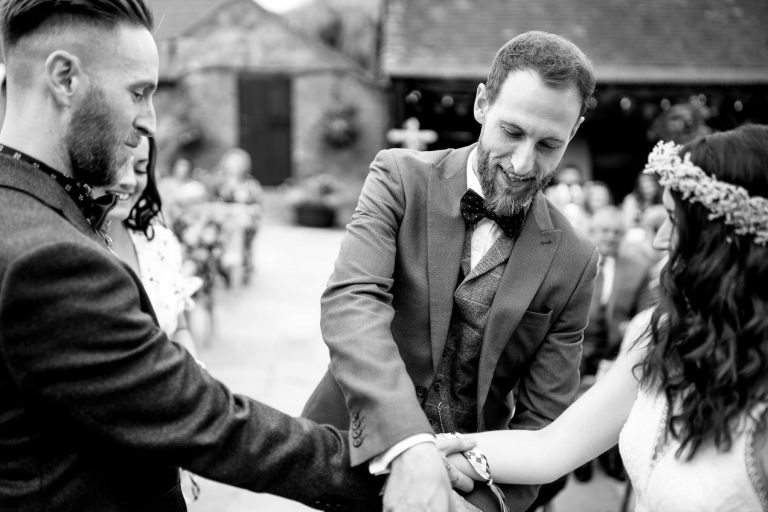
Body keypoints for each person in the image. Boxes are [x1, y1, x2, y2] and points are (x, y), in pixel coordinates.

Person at [0, 1, 477, 510]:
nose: (150, 122)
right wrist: (394, 465)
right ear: (64, 79)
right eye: (138, 92)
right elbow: (202, 419)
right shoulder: (48, 259)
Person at [303, 30, 599, 512]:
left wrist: (483, 500)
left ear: (574, 133)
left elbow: (545, 420)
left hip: (471, 486)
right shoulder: (398, 177)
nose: (524, 163)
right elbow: (351, 304)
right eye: (512, 132)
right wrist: (410, 446)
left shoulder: (576, 259)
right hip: (355, 451)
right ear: (482, 104)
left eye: (549, 144)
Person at [439, 124, 768, 511]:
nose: (659, 239)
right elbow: (551, 447)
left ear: (724, 240)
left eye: (674, 221)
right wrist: (428, 456)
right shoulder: (659, 335)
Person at [100, 136, 200, 359]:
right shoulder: (73, 245)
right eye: (117, 163)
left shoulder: (159, 242)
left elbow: (179, 328)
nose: (130, 181)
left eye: (140, 168)